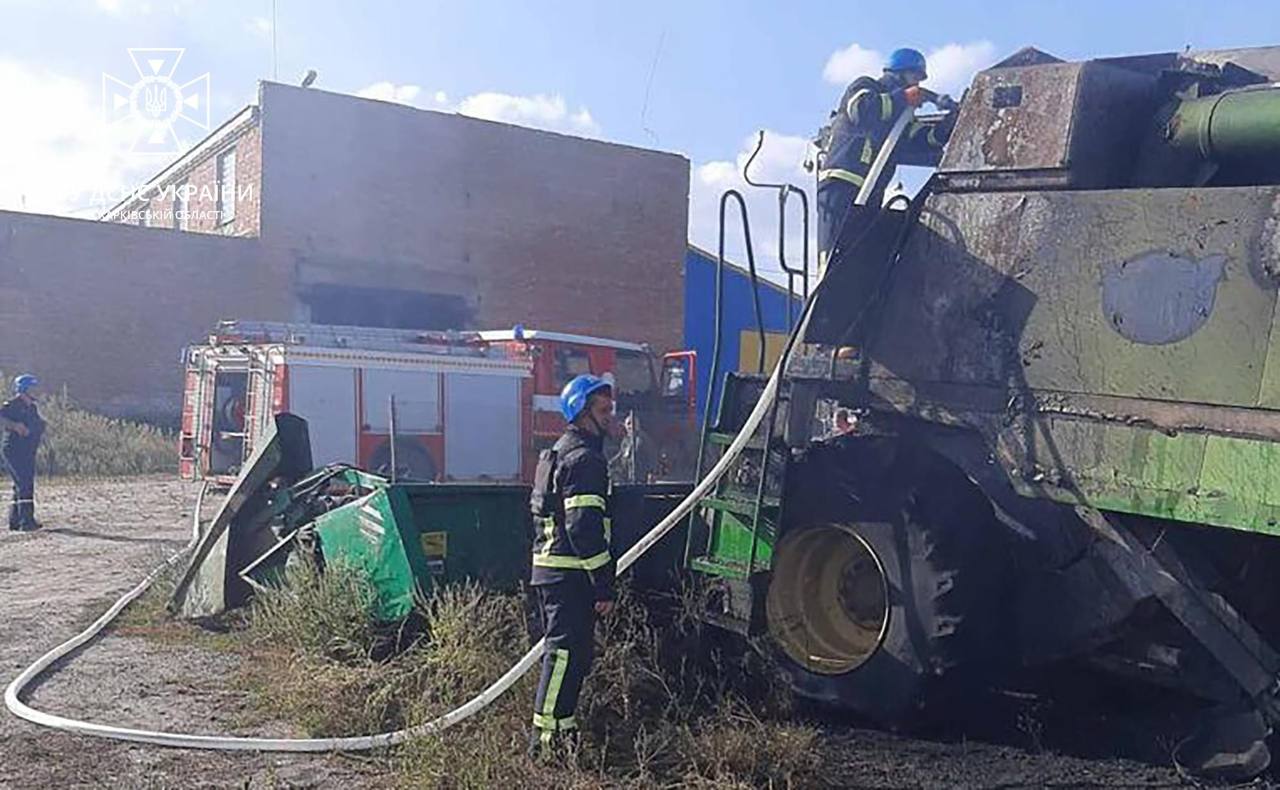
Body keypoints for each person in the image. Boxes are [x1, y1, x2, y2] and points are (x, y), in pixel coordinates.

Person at [528, 373, 617, 758]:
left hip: (558, 571)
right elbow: (583, 528)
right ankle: (545, 744)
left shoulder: (560, 453)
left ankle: (562, 735)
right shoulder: (584, 461)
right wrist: (603, 583)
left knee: (573, 657)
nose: (610, 417)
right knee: (563, 656)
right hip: (570, 574)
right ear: (581, 413)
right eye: (603, 410)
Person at [813, 47, 960, 274]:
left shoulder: (900, 121)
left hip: (871, 193)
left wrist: (949, 125)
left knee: (859, 259)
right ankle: (823, 291)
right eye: (915, 78)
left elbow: (921, 139)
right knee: (834, 254)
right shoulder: (865, 87)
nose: (917, 85)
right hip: (841, 183)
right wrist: (903, 98)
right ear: (899, 73)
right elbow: (862, 110)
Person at [2, 375, 46, 531]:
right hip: (14, 450)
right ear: (23, 390)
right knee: (25, 483)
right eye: (32, 388)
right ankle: (26, 522)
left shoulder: (32, 408)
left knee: (20, 484)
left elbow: (38, 425)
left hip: (27, 451)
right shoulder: (12, 405)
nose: (36, 392)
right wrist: (15, 426)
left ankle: (15, 521)